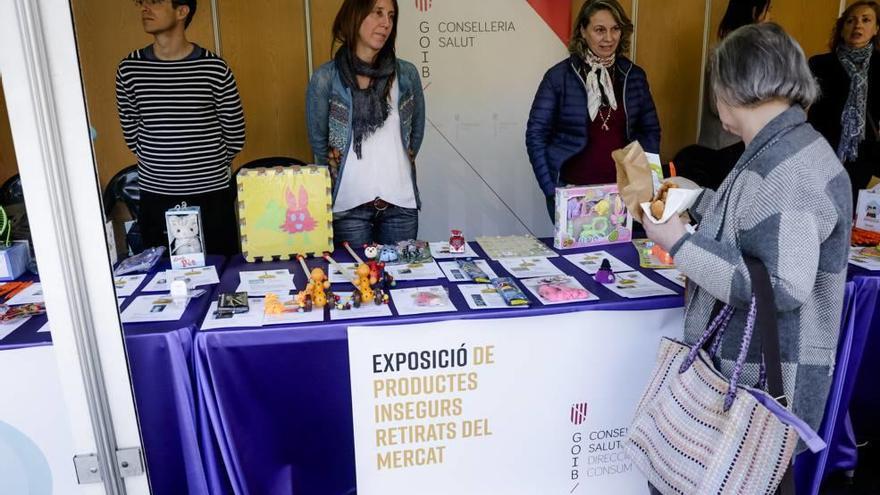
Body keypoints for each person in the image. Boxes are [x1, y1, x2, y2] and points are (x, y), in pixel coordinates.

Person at [643, 23, 851, 493]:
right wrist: (698, 200)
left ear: (731, 87)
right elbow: (760, 223)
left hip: (758, 380)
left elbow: (780, 284)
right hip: (753, 367)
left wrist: (679, 242)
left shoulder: (789, 167)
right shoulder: (783, 148)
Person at [116, 0, 245, 256]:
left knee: (219, 269)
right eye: (142, 3)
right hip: (156, 193)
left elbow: (235, 134)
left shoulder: (214, 69)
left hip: (211, 194)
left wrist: (203, 166)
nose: (144, 9)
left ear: (182, 11)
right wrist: (164, 163)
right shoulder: (129, 69)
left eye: (154, 2)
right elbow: (131, 130)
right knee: (163, 276)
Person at [526, 0, 660, 221]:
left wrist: (643, 181)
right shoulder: (559, 77)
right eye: (599, 30)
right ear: (583, 31)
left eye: (615, 29)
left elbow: (650, 130)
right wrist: (552, 190)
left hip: (622, 195)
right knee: (576, 257)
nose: (609, 38)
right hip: (573, 194)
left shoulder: (633, 76)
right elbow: (536, 135)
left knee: (622, 255)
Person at [306, 0, 425, 246]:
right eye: (378, 13)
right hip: (349, 208)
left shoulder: (407, 74)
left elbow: (416, 133)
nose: (386, 23)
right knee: (357, 282)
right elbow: (319, 144)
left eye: (391, 16)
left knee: (401, 281)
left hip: (400, 207)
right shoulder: (326, 79)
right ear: (355, 17)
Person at [677, 0, 771, 190]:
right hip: (723, 149)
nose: (770, 17)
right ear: (755, 12)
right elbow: (716, 104)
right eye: (768, 11)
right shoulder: (726, 53)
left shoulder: (752, 53)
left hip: (741, 146)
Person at [808, 1, 880, 205]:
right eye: (851, 20)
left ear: (875, 29)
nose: (858, 25)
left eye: (866, 20)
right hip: (822, 151)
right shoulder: (819, 64)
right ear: (841, 30)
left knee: (853, 210)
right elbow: (806, 105)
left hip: (862, 155)